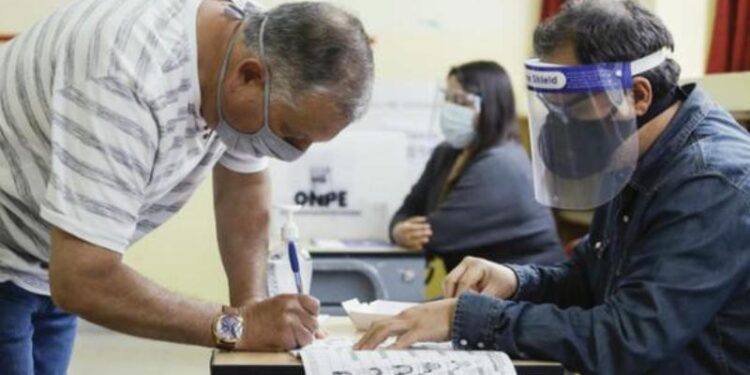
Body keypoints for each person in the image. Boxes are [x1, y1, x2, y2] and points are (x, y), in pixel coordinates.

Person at [355, 1, 750, 374]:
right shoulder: (631, 153)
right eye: (553, 108)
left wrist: (464, 318)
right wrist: (515, 280)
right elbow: (587, 280)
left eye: (571, 105)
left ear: (636, 96)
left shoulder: (711, 180)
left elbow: (627, 338)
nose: (561, 126)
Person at [0, 0, 373, 373]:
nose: (293, 153)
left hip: (43, 259)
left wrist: (252, 307)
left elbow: (242, 188)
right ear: (249, 76)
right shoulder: (125, 78)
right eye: (291, 133)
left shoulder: (248, 38)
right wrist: (239, 327)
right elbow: (82, 278)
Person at [389, 61, 563, 275]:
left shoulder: (502, 163)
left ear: (491, 107)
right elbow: (406, 211)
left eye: (461, 101)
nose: (451, 108)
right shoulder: (446, 153)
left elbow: (436, 236)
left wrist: (401, 231)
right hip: (480, 287)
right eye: (448, 98)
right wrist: (397, 231)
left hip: (527, 288)